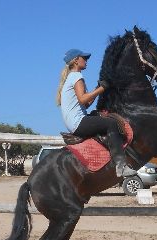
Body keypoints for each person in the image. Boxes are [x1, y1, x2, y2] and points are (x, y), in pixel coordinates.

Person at [56, 48, 137, 177]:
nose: (86, 61)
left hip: (75, 123)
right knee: (111, 124)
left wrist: (96, 89)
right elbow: (83, 99)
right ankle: (121, 165)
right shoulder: (77, 76)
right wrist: (102, 88)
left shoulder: (70, 78)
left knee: (99, 115)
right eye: (84, 58)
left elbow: (86, 104)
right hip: (78, 123)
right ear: (76, 60)